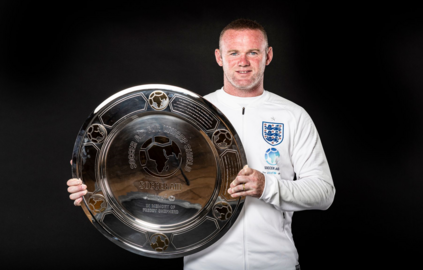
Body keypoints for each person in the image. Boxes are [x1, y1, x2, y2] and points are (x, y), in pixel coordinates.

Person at [67, 19, 335, 270]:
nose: (243, 62)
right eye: (233, 53)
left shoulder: (292, 115)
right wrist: (94, 186)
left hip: (276, 263)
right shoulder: (186, 115)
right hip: (205, 264)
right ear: (219, 57)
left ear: (268, 56)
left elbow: (324, 194)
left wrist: (268, 186)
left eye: (253, 52)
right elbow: (155, 181)